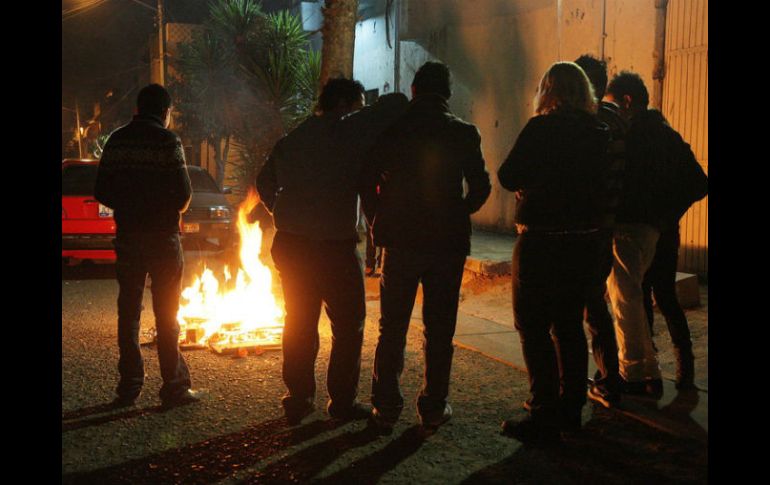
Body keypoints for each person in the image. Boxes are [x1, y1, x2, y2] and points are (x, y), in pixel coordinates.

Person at [363, 61, 491, 432]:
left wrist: (376, 219)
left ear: (414, 90)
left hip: (401, 241)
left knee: (392, 327)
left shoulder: (394, 130)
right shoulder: (463, 132)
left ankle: (386, 405)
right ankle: (433, 405)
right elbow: (481, 187)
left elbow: (366, 179)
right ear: (447, 93)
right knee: (440, 328)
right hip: (447, 243)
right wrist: (458, 212)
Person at [497, 62, 611, 444]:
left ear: (548, 91)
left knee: (532, 326)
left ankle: (543, 411)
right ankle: (571, 409)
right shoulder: (599, 132)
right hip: (583, 242)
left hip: (540, 241)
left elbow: (508, 175)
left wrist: (534, 183)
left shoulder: (541, 128)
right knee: (568, 325)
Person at [256, 78, 371, 425]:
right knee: (348, 325)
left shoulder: (293, 139)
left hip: (292, 244)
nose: (361, 114)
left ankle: (299, 397)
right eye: (359, 107)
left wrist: (280, 211)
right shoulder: (351, 139)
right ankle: (342, 401)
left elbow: (264, 182)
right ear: (344, 105)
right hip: (334, 248)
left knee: (299, 321)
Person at [95, 84, 201, 409]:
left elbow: (101, 190)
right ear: (165, 112)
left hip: (129, 237)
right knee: (167, 313)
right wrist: (160, 205)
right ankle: (174, 386)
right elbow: (183, 196)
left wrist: (130, 204)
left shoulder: (117, 140)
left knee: (128, 312)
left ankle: (129, 387)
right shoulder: (168, 141)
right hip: (163, 238)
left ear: (138, 109)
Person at [603, 71, 707, 396]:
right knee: (662, 295)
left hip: (640, 228)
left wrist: (660, 217)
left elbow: (699, 183)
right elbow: (698, 182)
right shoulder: (666, 134)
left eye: (612, 104)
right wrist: (667, 216)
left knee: (637, 297)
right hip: (663, 229)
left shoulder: (633, 137)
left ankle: (647, 372)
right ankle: (683, 369)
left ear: (627, 101)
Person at [574, 54, 627, 408]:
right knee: (594, 304)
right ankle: (609, 379)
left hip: (579, 227)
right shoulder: (617, 121)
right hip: (605, 226)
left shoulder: (584, 123)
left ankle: (572, 382)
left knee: (569, 310)